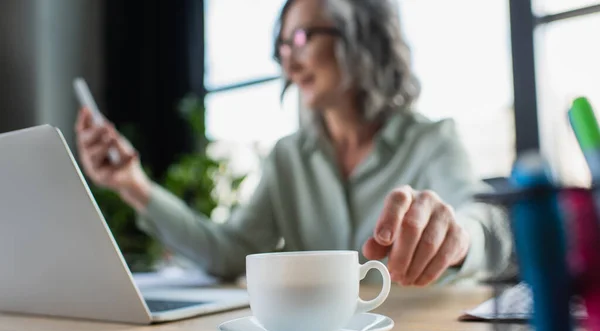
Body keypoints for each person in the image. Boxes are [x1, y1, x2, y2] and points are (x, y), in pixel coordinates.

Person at [75, 0, 512, 286]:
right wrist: (134, 184)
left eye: (302, 37)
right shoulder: (288, 158)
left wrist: (455, 239)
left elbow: (486, 228)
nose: (288, 56)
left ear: (359, 38)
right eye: (282, 45)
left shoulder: (432, 139)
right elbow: (229, 253)